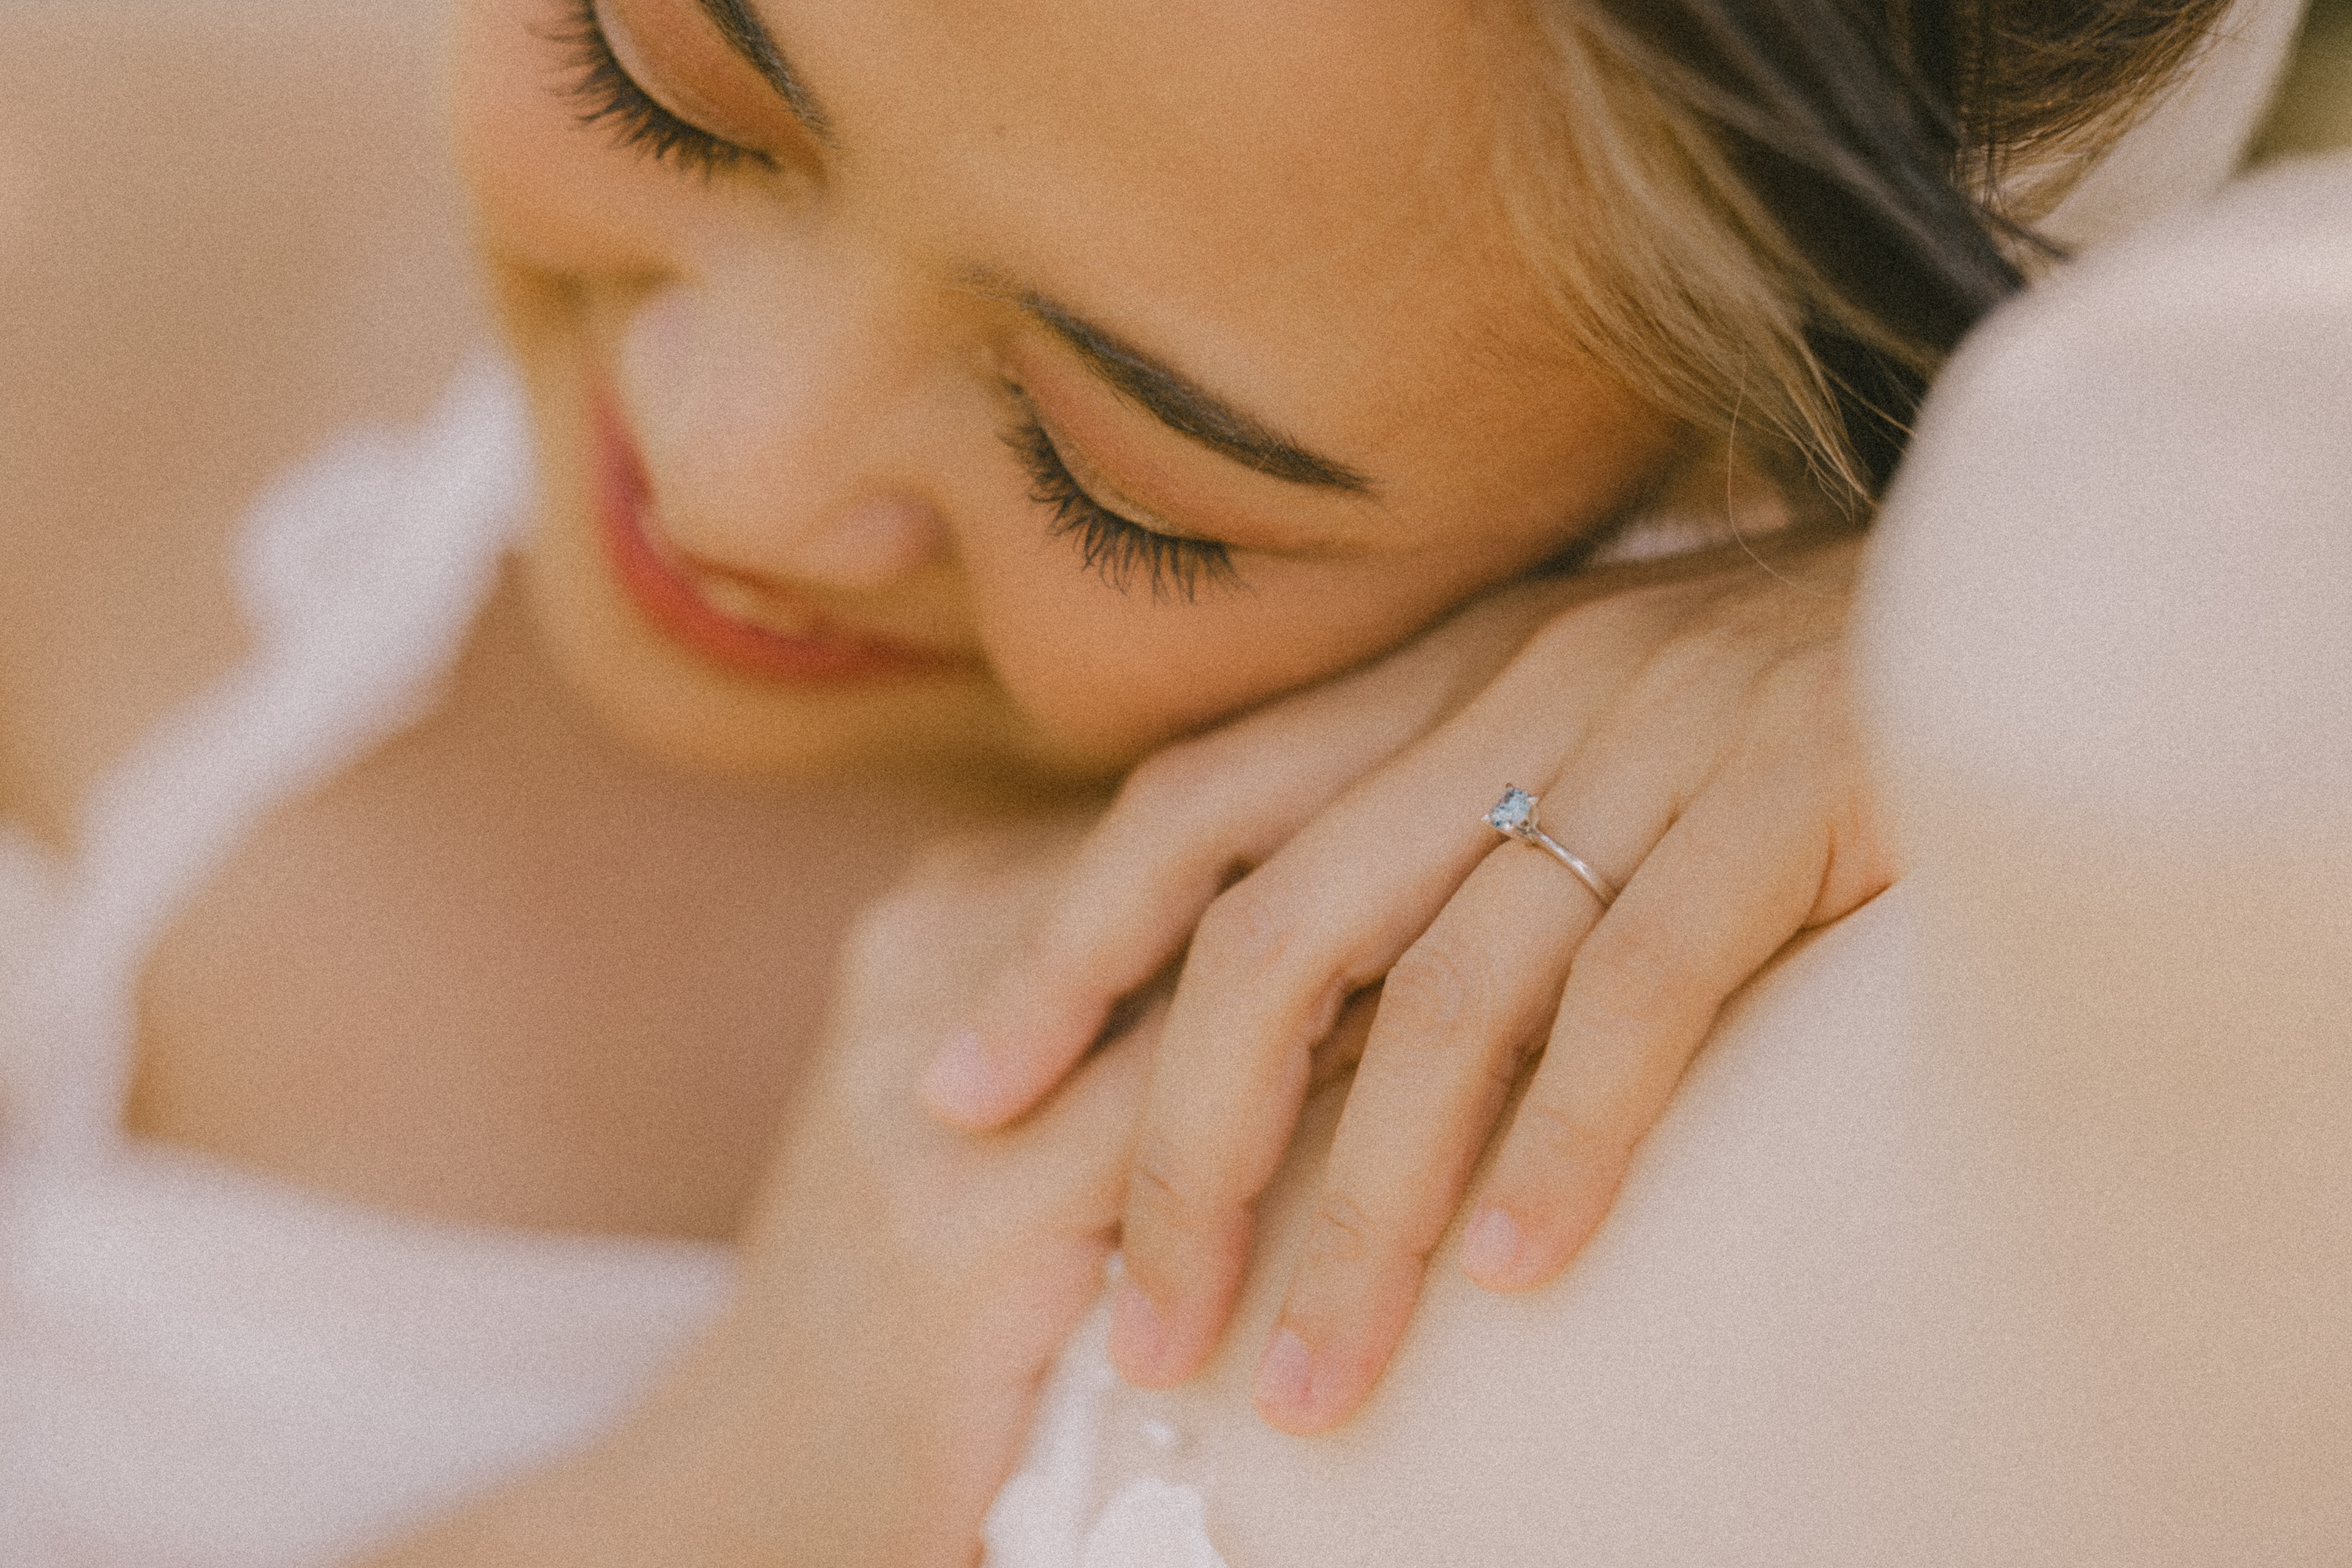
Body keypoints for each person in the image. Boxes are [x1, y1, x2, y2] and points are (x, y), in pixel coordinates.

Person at [0, 0, 2321, 1564]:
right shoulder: (105, 205)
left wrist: (2000, 580)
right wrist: (712, 1502)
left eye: (1115, 478)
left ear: (1717, 451)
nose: (733, 464)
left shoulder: (1884, 787)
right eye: (667, 86)